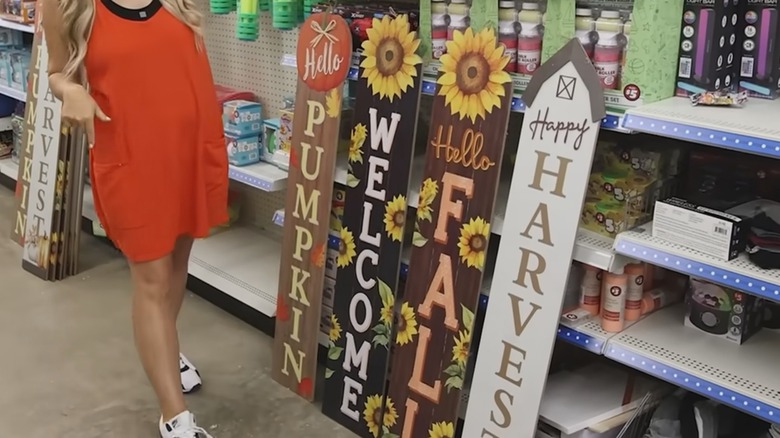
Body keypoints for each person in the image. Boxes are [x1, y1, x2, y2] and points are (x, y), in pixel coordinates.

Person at [41, 0, 228, 434]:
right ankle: (174, 417)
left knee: (177, 266)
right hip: (129, 159)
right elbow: (56, 72)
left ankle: (166, 349)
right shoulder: (69, 5)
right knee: (152, 278)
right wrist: (70, 90)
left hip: (190, 152)